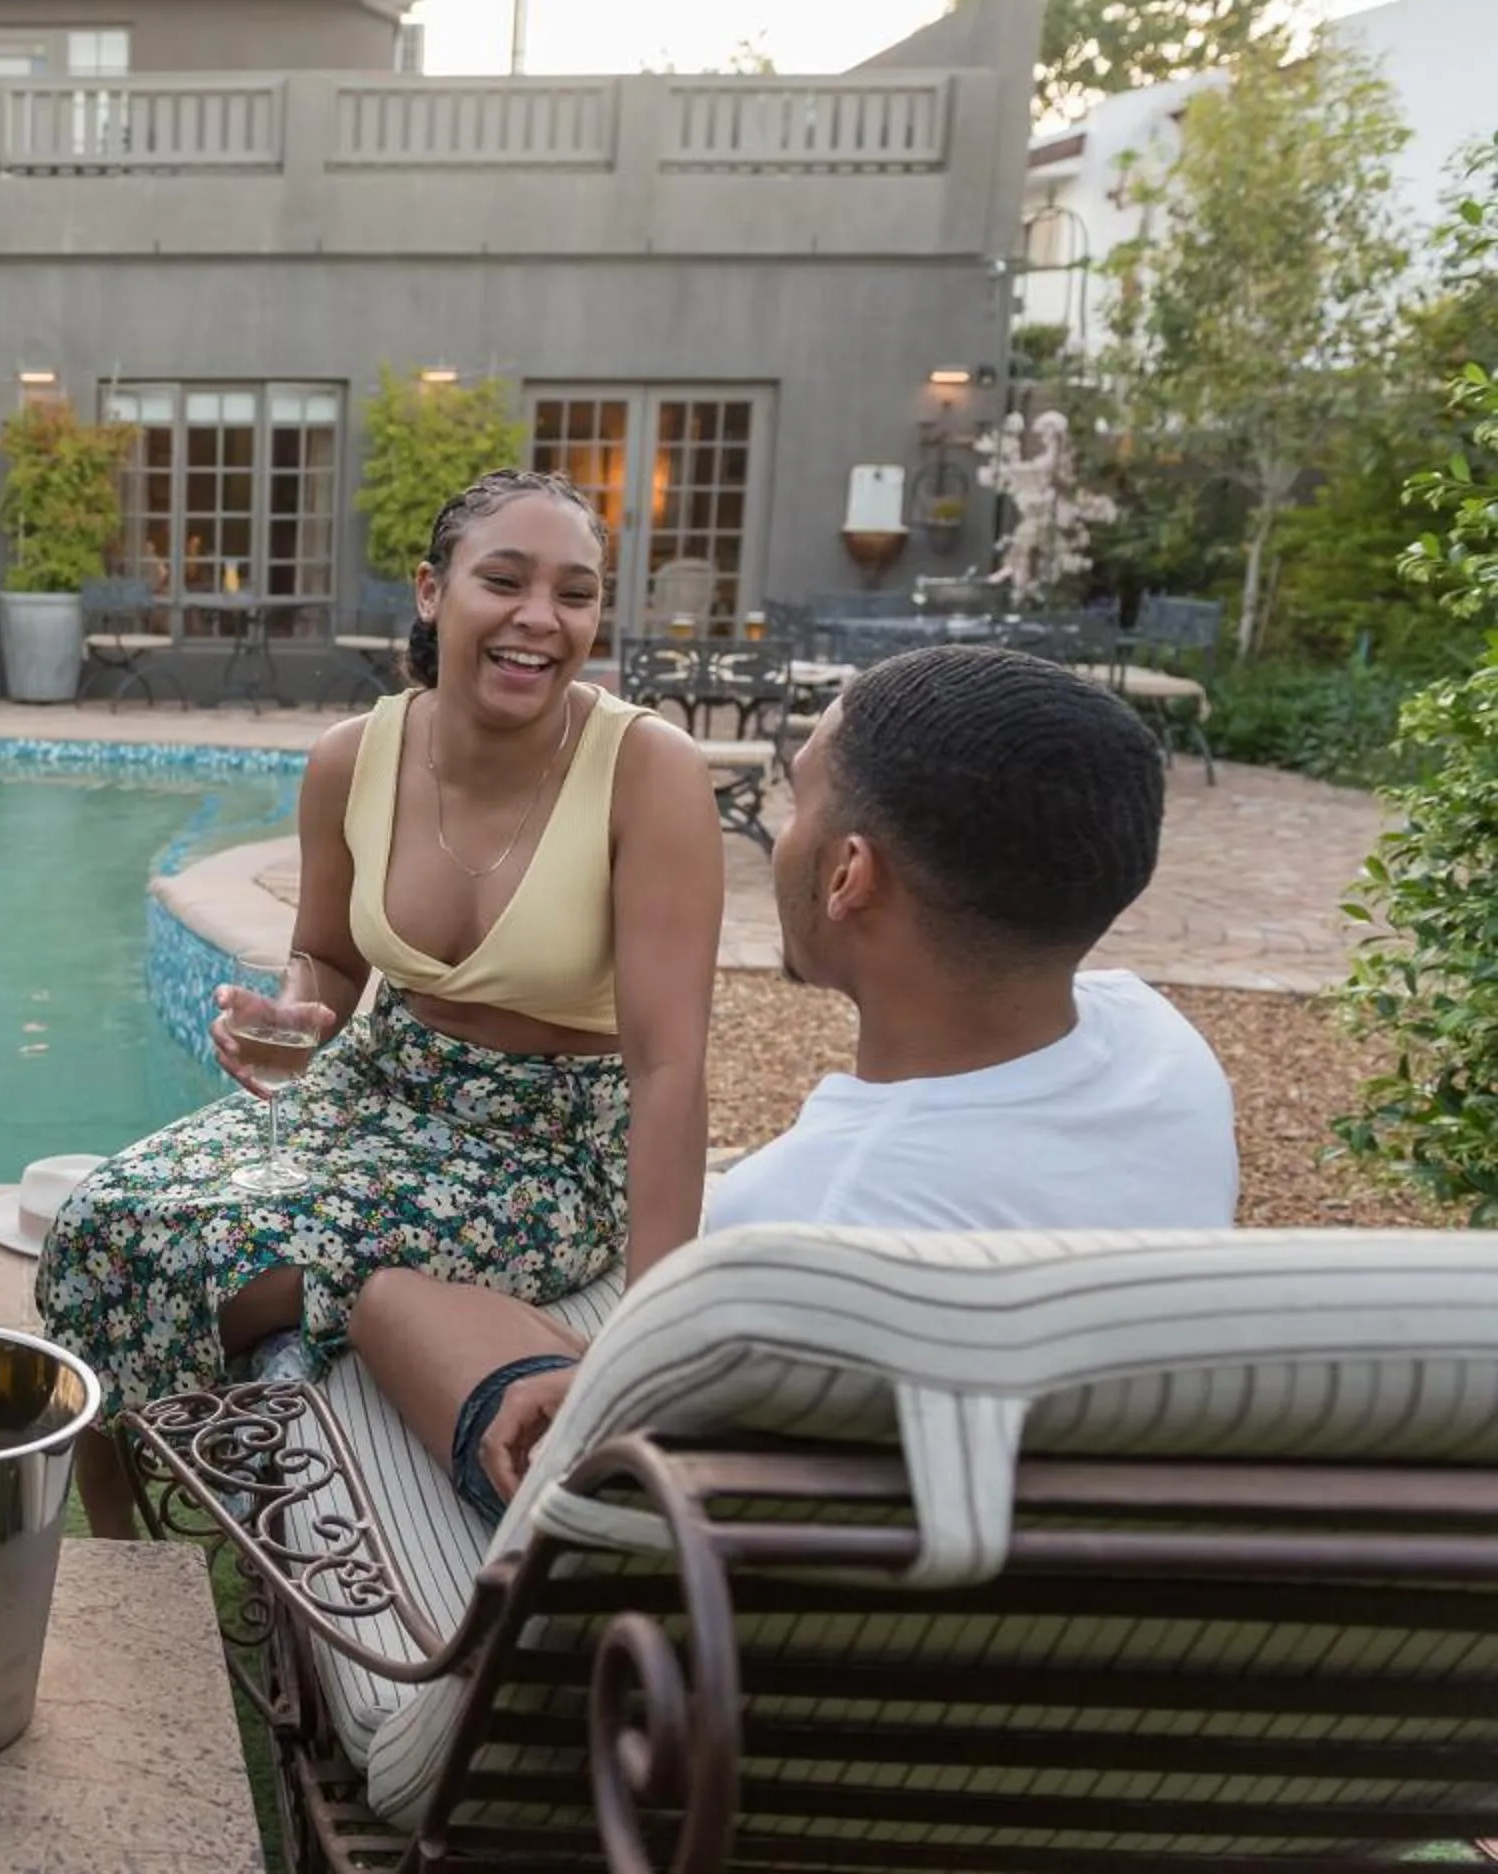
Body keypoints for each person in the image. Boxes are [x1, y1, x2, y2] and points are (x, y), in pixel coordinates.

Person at [354, 642, 1240, 1521]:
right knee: (603, 1352)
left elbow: (672, 1518)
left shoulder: (801, 1221)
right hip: (1066, 1543)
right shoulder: (1165, 1051)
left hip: (753, 1621)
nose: (782, 828)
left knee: (397, 1300)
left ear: (848, 875)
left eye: (795, 795)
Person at [37, 469, 727, 1536]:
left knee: (206, 1259)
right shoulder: (352, 760)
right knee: (90, 1230)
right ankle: (127, 1549)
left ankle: (231, 1510)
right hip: (370, 1093)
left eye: (577, 594)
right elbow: (323, 958)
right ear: (430, 590)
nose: (540, 619)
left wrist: (654, 1332)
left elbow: (669, 1066)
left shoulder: (647, 770)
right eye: (505, 580)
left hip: (544, 1146)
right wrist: (297, 1014)